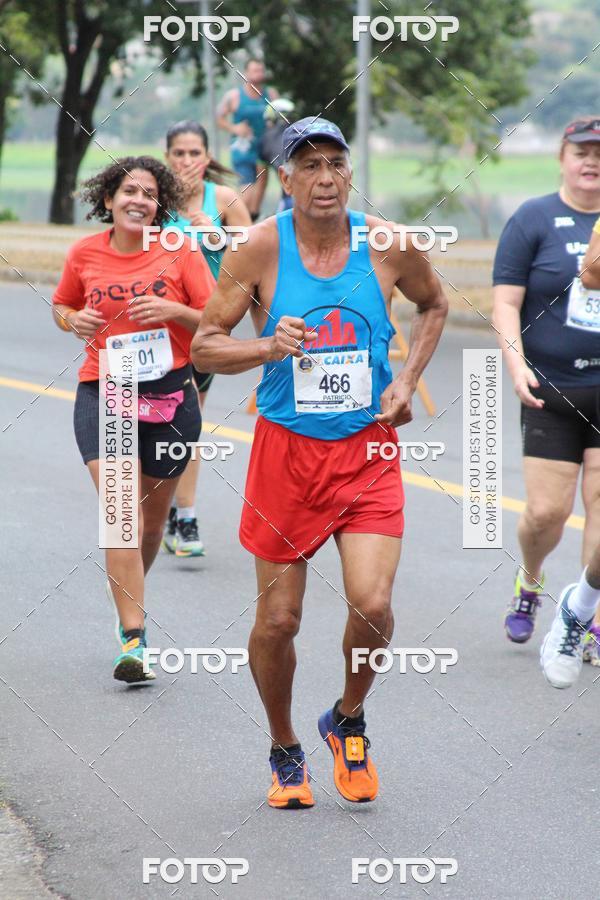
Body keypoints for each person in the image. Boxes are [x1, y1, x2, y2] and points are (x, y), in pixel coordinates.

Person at [192, 117, 448, 809]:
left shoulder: (388, 243)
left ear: (349, 171)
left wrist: (404, 380)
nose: (326, 177)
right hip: (286, 453)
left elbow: (435, 304)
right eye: (309, 165)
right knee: (280, 621)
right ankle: (283, 747)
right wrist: (268, 347)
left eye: (336, 162)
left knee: (374, 605)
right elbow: (204, 347)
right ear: (285, 178)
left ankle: (348, 718)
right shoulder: (257, 249)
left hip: (366, 449)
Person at [52, 156, 215, 682]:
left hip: (170, 396)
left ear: (159, 206)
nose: (138, 200)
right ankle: (134, 637)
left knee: (147, 521)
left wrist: (174, 313)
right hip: (106, 390)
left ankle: (126, 587)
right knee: (120, 509)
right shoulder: (84, 254)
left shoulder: (180, 250)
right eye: (128, 190)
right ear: (107, 200)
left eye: (149, 194)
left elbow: (215, 324)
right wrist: (74, 319)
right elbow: (62, 306)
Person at [493, 117, 600, 650]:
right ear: (562, 156)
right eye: (581, 151)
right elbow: (506, 302)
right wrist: (516, 365)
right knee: (546, 513)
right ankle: (530, 581)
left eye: (599, 154)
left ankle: (586, 619)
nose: (592, 162)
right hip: (550, 389)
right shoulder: (533, 218)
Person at [161, 120, 251, 557]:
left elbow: (255, 250)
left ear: (207, 157)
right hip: (157, 327)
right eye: (178, 153)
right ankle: (163, 508)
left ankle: (186, 515)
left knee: (188, 418)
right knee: (161, 423)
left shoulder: (225, 200)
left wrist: (217, 235)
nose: (186, 161)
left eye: (194, 153)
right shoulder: (154, 201)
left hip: (203, 325)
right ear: (167, 158)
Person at [217, 58, 279, 221]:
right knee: (247, 191)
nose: (258, 74)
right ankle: (227, 222)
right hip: (243, 149)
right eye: (254, 71)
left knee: (258, 195)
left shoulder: (271, 94)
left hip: (264, 149)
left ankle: (249, 225)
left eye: (260, 70)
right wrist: (235, 128)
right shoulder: (235, 96)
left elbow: (279, 116)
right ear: (246, 73)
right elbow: (220, 118)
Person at [258, 98, 296, 212]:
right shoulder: (304, 134)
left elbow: (261, 180)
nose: (267, 124)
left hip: (290, 197)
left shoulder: (265, 140)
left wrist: (253, 212)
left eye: (269, 120)